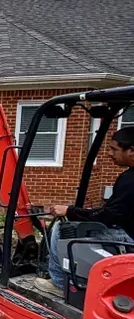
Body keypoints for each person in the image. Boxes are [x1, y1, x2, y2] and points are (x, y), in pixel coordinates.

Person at [36, 125, 134, 293]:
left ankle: (59, 283)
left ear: (131, 150)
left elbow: (108, 216)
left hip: (128, 236)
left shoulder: (130, 180)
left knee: (62, 228)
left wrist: (70, 211)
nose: (110, 154)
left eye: (114, 149)